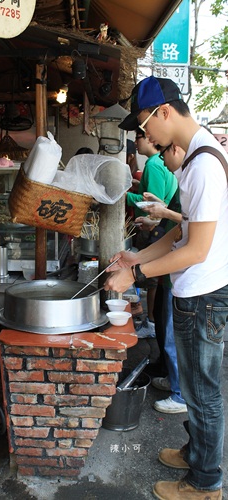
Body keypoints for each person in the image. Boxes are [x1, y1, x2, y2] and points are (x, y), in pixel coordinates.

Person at [105, 75, 228, 499]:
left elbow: (195, 250)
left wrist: (135, 277)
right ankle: (198, 454)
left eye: (143, 127)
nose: (146, 138)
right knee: (195, 386)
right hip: (196, 292)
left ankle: (205, 483)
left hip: (205, 294)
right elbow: (178, 236)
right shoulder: (195, 159)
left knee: (203, 391)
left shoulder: (205, 165)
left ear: (164, 113)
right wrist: (137, 257)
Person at [136, 145, 186, 414]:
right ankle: (175, 381)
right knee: (168, 334)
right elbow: (178, 221)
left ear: (176, 149)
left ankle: (180, 394)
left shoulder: (198, 172)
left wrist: (163, 214)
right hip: (174, 273)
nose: (162, 163)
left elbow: (191, 225)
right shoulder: (183, 176)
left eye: (165, 153)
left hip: (183, 276)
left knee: (173, 337)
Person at [126, 128, 178, 339]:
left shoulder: (155, 164)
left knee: (155, 281)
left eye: (138, 137)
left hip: (159, 230)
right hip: (162, 228)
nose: (136, 142)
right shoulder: (160, 164)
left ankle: (153, 324)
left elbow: (152, 202)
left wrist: (125, 196)